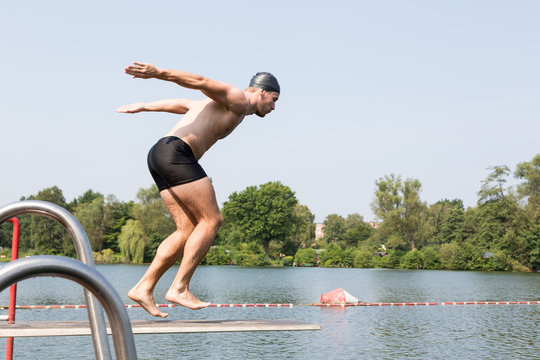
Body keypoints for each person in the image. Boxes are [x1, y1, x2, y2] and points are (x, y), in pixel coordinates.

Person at [116, 62, 280, 317]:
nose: (273, 107)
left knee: (187, 229)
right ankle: (179, 287)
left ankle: (144, 287)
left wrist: (145, 106)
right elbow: (201, 80)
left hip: (159, 153)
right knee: (212, 220)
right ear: (261, 92)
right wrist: (158, 73)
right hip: (177, 154)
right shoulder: (237, 99)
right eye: (273, 99)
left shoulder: (215, 105)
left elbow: (183, 104)